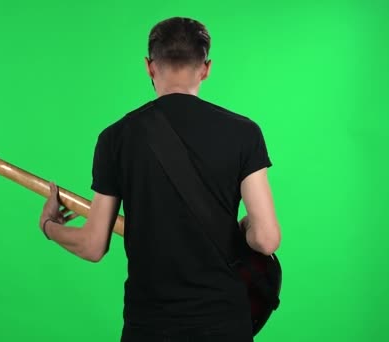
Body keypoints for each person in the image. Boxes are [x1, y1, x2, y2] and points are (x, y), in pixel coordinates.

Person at [38, 16, 281, 342]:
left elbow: (93, 245)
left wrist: (49, 226)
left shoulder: (116, 138)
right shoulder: (243, 133)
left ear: (149, 67)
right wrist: (243, 227)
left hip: (150, 327)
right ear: (206, 68)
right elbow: (266, 240)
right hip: (224, 325)